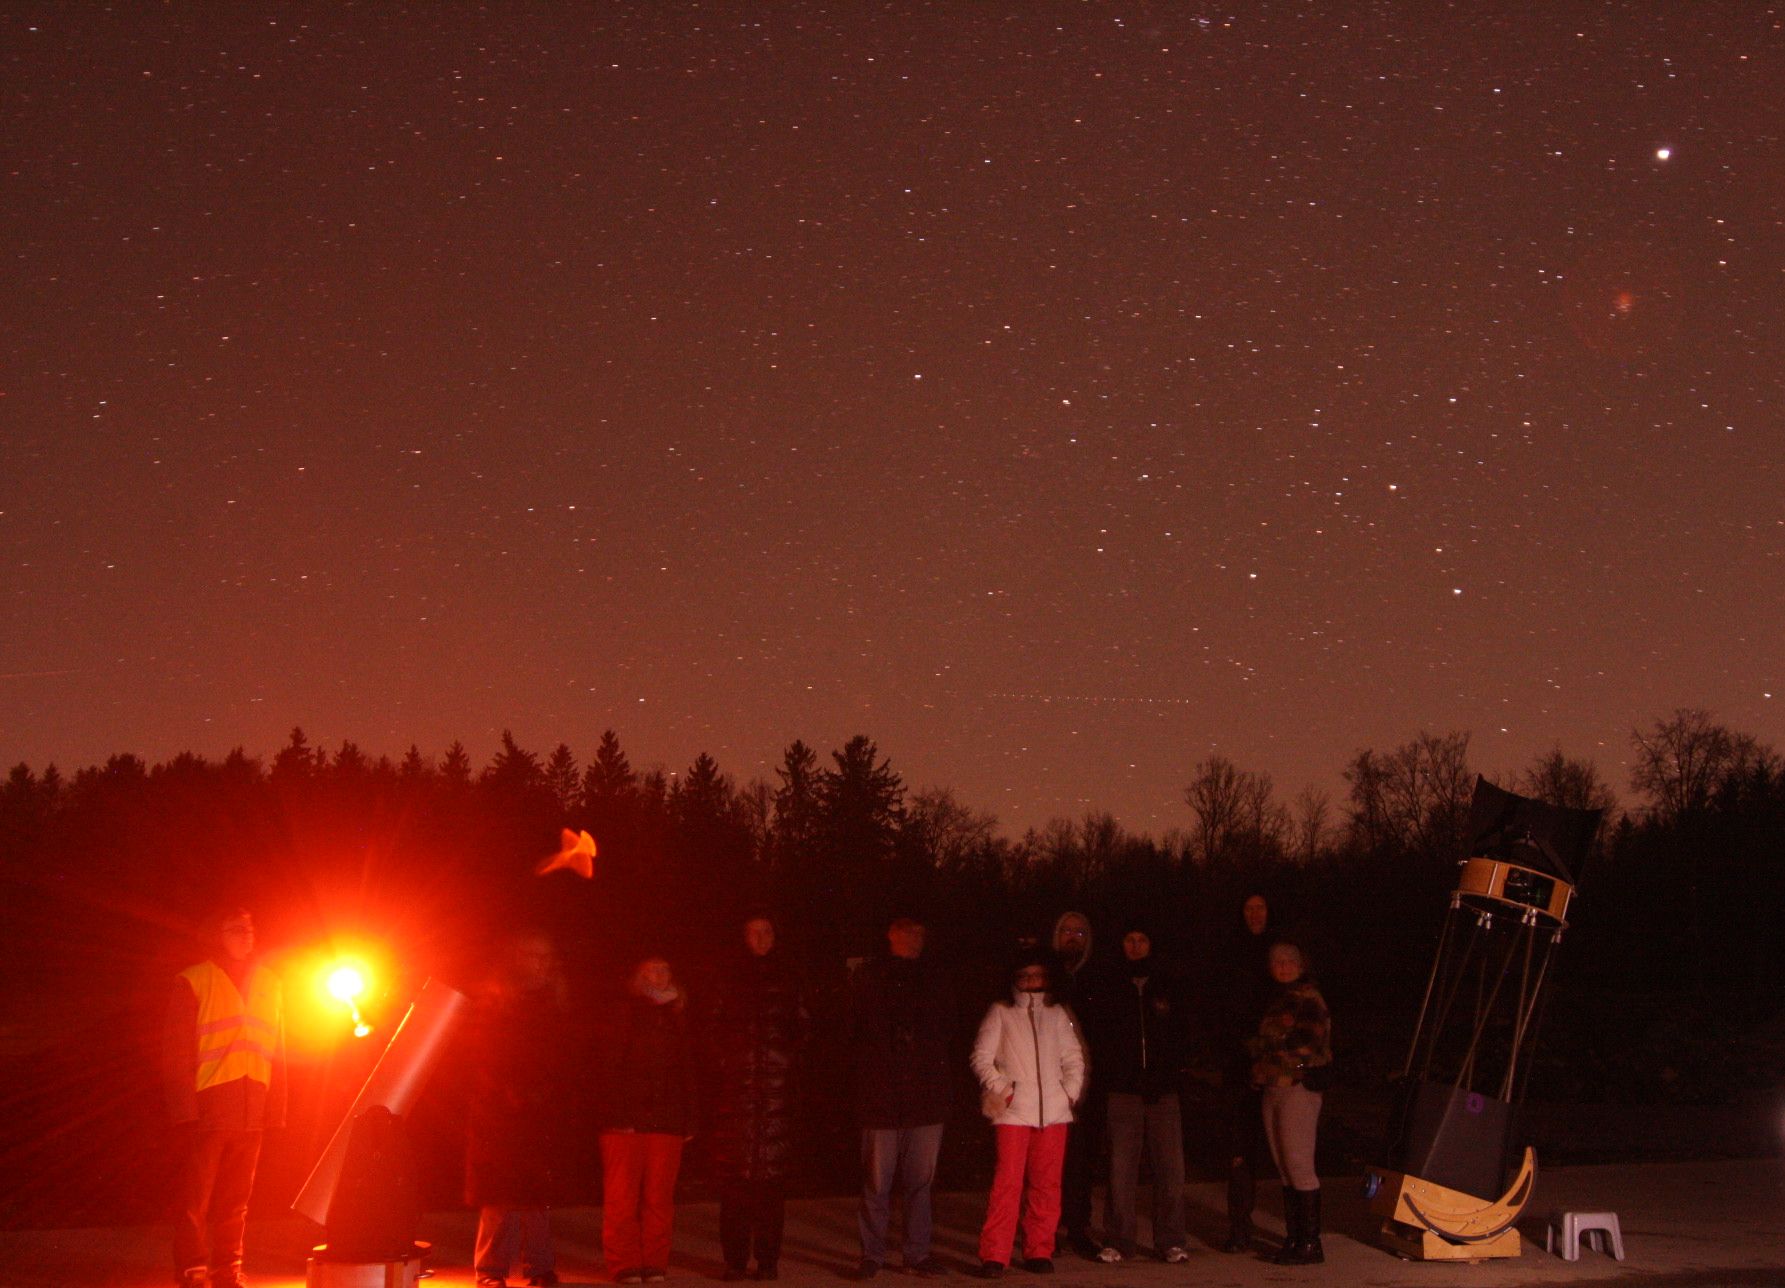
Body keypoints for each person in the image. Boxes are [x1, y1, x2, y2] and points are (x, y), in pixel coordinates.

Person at [162, 906, 285, 1288]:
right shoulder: (194, 981)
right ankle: (192, 1267)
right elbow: (176, 1051)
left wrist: (276, 1108)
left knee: (236, 1200)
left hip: (253, 1107)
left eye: (250, 928)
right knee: (195, 1199)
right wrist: (184, 1109)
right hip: (210, 1105)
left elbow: (279, 1049)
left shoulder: (271, 982)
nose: (246, 935)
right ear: (217, 934)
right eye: (236, 928)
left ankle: (227, 1268)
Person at [848, 916, 954, 1279]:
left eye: (919, 931)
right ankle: (872, 1255)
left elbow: (948, 1036)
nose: (913, 937)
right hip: (880, 1101)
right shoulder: (870, 978)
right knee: (877, 1183)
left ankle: (917, 1254)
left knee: (920, 1184)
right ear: (889, 933)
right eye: (905, 930)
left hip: (925, 1101)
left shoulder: (936, 979)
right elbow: (856, 1036)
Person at [969, 952, 1087, 1278]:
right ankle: (995, 1254)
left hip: (1053, 1111)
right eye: (1026, 976)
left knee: (1047, 1185)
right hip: (1013, 1112)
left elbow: (1073, 1057)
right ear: (1016, 979)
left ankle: (1038, 1250)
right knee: (1007, 1184)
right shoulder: (1002, 1012)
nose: (1032, 982)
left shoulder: (1057, 1014)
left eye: (1038, 976)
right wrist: (1005, 1089)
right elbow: (981, 1057)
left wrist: (1068, 1092)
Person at [706, 914, 808, 1282]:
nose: (761, 938)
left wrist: (786, 1062)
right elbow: (712, 1027)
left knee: (770, 1193)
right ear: (744, 936)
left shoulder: (788, 977)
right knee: (734, 1191)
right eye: (754, 931)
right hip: (737, 1100)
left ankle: (767, 1261)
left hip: (776, 1101)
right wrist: (731, 1064)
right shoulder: (727, 977)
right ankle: (734, 1260)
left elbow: (802, 1029)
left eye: (768, 931)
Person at [466, 931, 570, 1288]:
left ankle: (540, 1267)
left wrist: (547, 1093)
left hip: (539, 1113)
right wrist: (507, 1091)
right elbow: (483, 1055)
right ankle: (491, 1270)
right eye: (533, 957)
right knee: (498, 1196)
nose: (540, 965)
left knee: (535, 1197)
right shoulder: (496, 1003)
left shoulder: (554, 1002)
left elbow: (562, 1057)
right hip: (498, 1114)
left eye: (545, 958)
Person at [1085, 922, 1189, 1264]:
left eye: (1142, 939)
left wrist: (1168, 1075)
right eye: (1129, 939)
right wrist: (1118, 1075)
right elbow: (1101, 1038)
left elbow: (1181, 1036)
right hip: (1123, 1092)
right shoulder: (1110, 985)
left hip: (1163, 1094)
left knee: (1170, 1171)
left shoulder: (1168, 985)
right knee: (1120, 1170)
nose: (1135, 946)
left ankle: (1171, 1240)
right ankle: (1118, 1239)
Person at [597, 957, 700, 1285]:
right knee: (622, 1197)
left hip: (667, 1118)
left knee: (659, 1197)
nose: (661, 974)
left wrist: (689, 1116)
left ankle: (655, 1261)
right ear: (639, 977)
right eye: (653, 969)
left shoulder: (677, 1016)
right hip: (626, 1120)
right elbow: (608, 1063)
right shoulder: (625, 1011)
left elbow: (687, 1068)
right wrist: (615, 1113)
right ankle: (623, 1262)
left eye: (666, 969)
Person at [1249, 941, 1332, 1266]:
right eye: (1277, 962)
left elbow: (1306, 1043)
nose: (1283, 967)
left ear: (1300, 965)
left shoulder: (1308, 999)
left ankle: (1310, 1242)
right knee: (1285, 1167)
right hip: (1273, 1088)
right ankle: (1295, 1238)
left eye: (1289, 962)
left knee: (1299, 1165)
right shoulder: (1276, 1000)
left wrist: (1269, 1053)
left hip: (1297, 1088)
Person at [1216, 894, 1275, 1252]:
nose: (1254, 914)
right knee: (1240, 1150)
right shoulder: (1230, 955)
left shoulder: (1279, 955)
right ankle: (1240, 1228)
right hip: (1239, 1067)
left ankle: (1299, 1233)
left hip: (1277, 1066)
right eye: (1248, 908)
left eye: (1260, 908)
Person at [1046, 913, 1100, 1260]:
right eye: (1066, 930)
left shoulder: (1097, 980)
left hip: (1087, 1085)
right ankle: (1046, 1231)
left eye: (1079, 931)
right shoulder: (1045, 976)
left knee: (1082, 1162)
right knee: (1049, 1163)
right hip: (1049, 1086)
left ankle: (1079, 1229)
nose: (1072, 937)